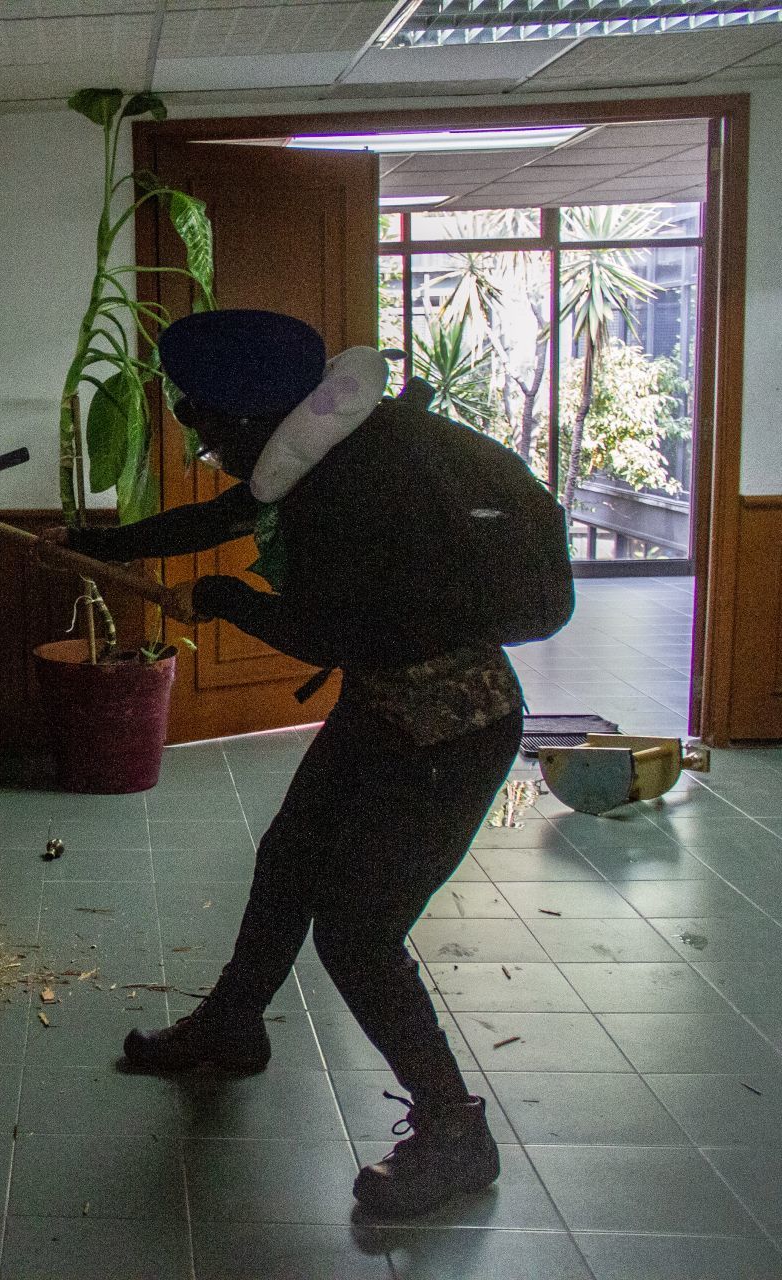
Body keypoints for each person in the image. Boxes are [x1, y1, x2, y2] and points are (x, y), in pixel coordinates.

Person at [65, 308, 572, 1219]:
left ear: (253, 411)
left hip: (450, 728)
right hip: (391, 704)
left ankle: (457, 1133)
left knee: (357, 929)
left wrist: (227, 599)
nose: (195, 431)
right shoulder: (329, 440)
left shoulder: (359, 478)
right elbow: (237, 506)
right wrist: (107, 546)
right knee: (291, 854)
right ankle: (232, 1023)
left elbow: (322, 632)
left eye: (201, 416)